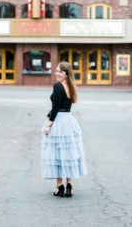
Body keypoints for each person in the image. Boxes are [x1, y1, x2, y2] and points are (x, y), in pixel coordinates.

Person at [41, 61, 87, 197]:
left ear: (66, 74)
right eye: (56, 71)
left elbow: (55, 108)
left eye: (60, 71)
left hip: (59, 121)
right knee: (68, 153)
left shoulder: (57, 86)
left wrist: (48, 126)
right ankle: (69, 185)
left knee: (57, 154)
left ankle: (59, 186)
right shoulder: (71, 86)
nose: (57, 74)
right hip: (69, 121)